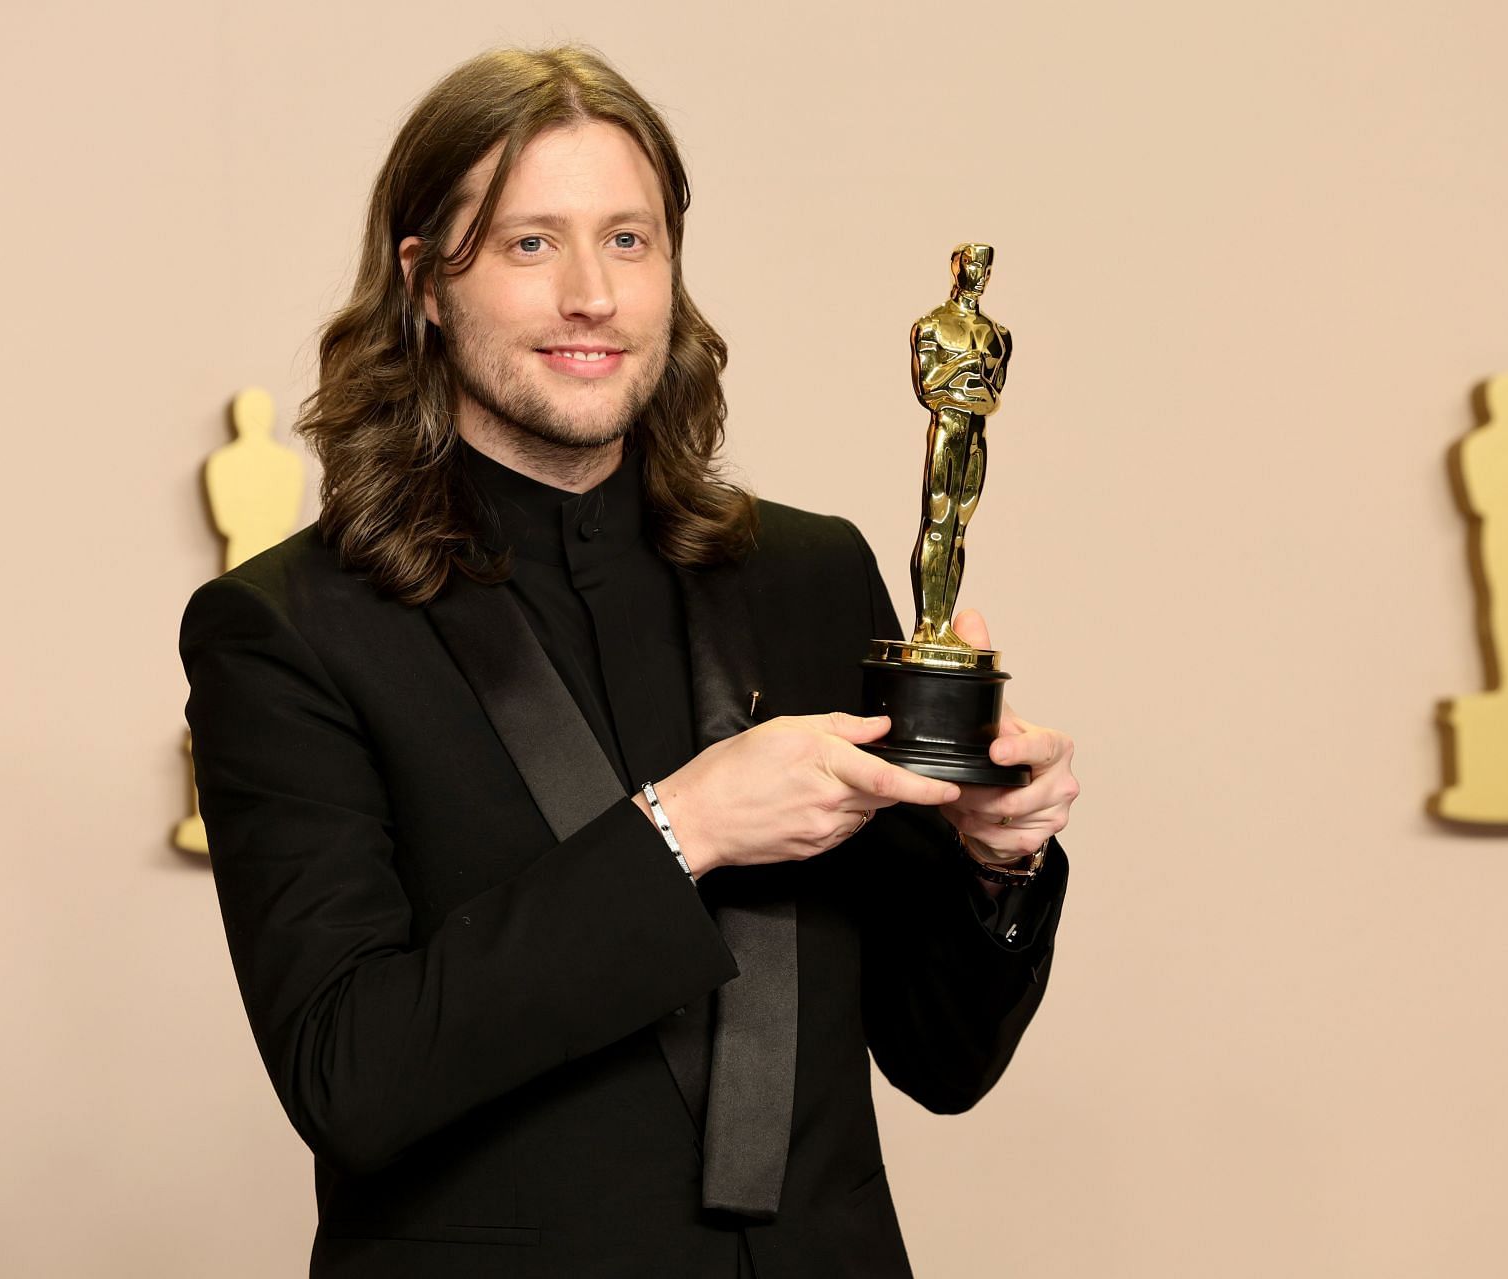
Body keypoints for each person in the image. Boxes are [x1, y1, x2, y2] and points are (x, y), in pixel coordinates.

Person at [180, 45, 1081, 1279]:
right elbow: (351, 1073)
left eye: (630, 240)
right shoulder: (286, 626)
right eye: (529, 244)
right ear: (424, 285)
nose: (592, 296)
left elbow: (943, 1058)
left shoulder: (813, 575)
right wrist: (681, 828)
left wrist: (996, 861)